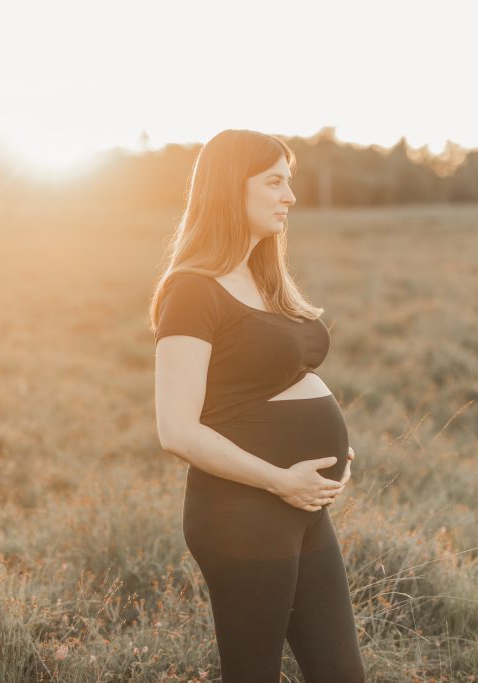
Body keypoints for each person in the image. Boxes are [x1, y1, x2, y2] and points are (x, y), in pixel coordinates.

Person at [149, 129, 365, 682]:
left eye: (288, 182)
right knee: (253, 673)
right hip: (242, 512)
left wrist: (328, 449)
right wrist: (279, 479)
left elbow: (275, 381)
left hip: (300, 507)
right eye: (274, 182)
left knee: (340, 673)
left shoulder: (264, 277)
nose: (290, 196)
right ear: (229, 190)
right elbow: (176, 430)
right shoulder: (193, 291)